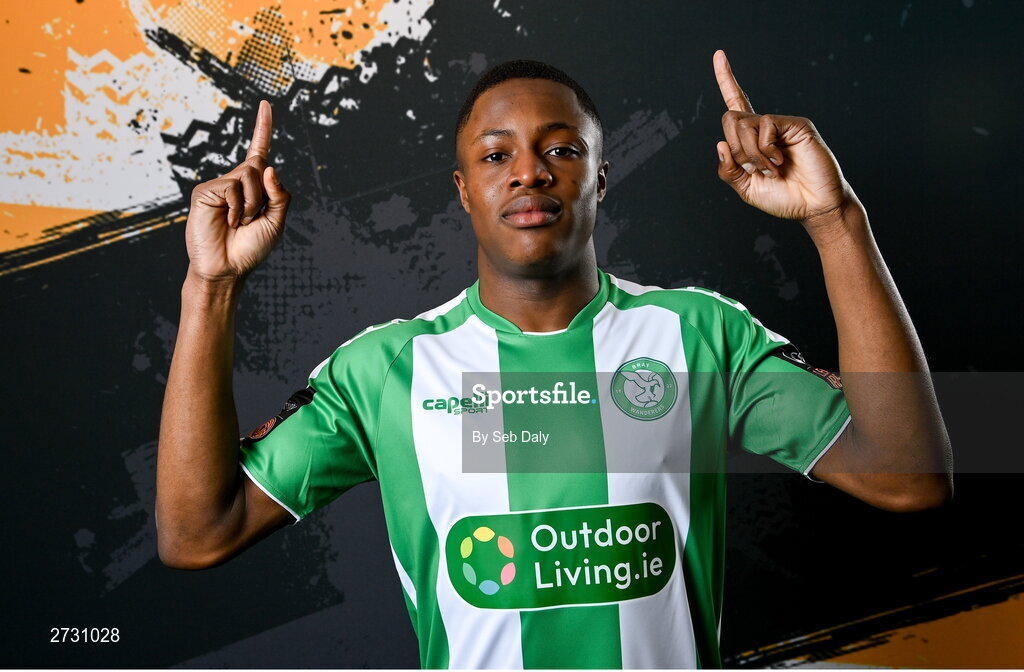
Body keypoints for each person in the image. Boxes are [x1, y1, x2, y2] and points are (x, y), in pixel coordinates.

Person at [156, 51, 953, 668]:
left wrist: (835, 219)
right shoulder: (385, 371)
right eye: (496, 155)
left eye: (561, 150)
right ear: (464, 191)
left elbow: (909, 476)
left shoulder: (699, 338)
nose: (530, 171)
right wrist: (209, 287)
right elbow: (198, 534)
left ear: (600, 180)